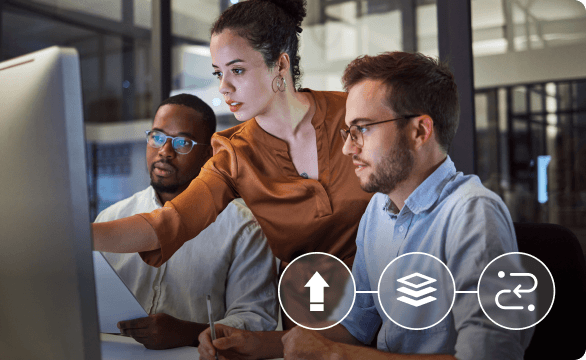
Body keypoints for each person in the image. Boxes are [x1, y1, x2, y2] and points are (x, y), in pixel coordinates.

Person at [93, 0, 371, 305]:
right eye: (218, 74)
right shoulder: (233, 154)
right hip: (314, 317)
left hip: (395, 300)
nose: (224, 87)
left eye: (237, 70)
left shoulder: (354, 113)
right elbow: (169, 223)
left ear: (280, 64)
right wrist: (79, 236)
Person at [272, 52, 535, 359]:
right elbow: (358, 323)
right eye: (348, 131)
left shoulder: (473, 213)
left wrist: (334, 355)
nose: (347, 148)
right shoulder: (378, 210)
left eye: (364, 128)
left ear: (420, 131)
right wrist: (262, 343)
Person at [96, 94, 278, 350]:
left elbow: (257, 321)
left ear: (208, 153)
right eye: (157, 137)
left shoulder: (244, 229)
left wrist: (188, 333)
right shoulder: (112, 218)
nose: (165, 151)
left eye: (182, 142)